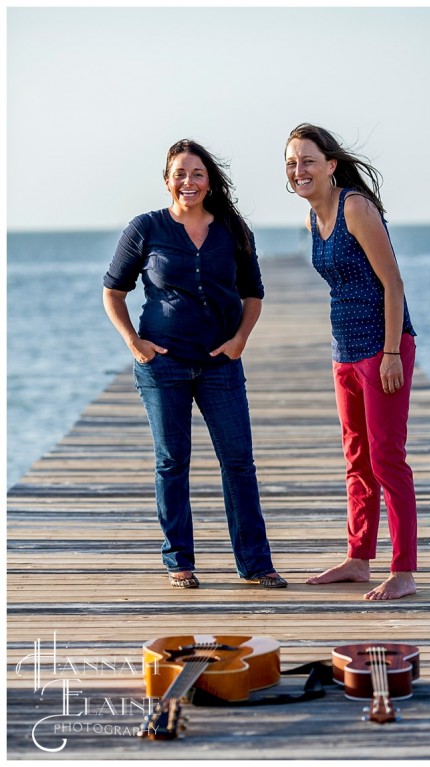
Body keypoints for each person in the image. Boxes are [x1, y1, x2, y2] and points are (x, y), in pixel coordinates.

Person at [102, 139, 286, 590]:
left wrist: (240, 338)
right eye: (180, 173)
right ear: (167, 181)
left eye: (197, 173)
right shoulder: (146, 228)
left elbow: (253, 293)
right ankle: (179, 561)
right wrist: (134, 342)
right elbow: (113, 291)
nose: (189, 181)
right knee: (172, 461)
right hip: (162, 364)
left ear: (210, 180)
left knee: (239, 460)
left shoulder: (232, 229)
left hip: (220, 363)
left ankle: (256, 564)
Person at [284, 123, 418, 601]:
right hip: (343, 350)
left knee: (387, 458)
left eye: (308, 161)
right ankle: (359, 558)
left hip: (383, 348)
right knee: (356, 459)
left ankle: (403, 570)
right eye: (292, 163)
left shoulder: (355, 207)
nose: (299, 170)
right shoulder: (311, 221)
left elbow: (393, 284)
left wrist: (389, 353)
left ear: (331, 165)